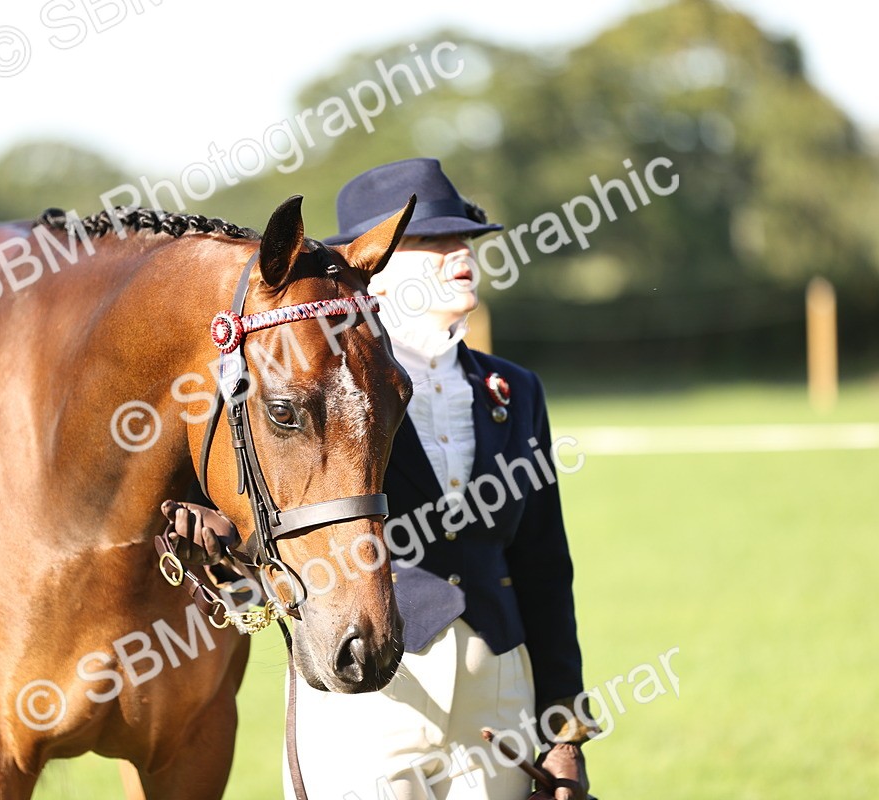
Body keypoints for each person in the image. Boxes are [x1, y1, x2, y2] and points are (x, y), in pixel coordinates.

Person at [164, 158, 595, 800]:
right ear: (375, 268)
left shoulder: (517, 390)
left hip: (499, 691)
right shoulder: (322, 399)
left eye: (464, 240)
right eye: (431, 242)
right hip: (368, 677)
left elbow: (544, 564)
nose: (460, 254)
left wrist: (565, 731)